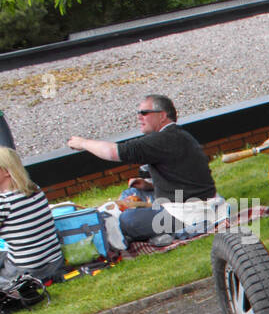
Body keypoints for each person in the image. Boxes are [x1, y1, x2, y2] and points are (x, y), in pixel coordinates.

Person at [67, 95, 223, 247]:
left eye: (144, 113)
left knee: (126, 220)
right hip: (194, 201)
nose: (139, 117)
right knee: (132, 195)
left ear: (162, 116)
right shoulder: (178, 135)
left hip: (189, 213)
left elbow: (114, 152)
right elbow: (185, 178)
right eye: (138, 113)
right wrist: (150, 185)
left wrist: (83, 143)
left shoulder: (162, 140)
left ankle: (163, 233)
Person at [0, 146, 63, 284]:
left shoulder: (4, 202)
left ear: (6, 171)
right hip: (55, 261)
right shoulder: (35, 189)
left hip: (25, 268)